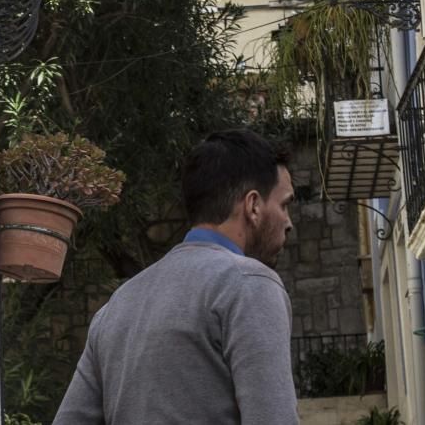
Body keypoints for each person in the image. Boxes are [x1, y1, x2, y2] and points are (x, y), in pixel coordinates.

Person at [52, 128, 298, 425]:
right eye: (284, 204)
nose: (288, 222)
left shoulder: (116, 307)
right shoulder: (249, 285)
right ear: (253, 206)